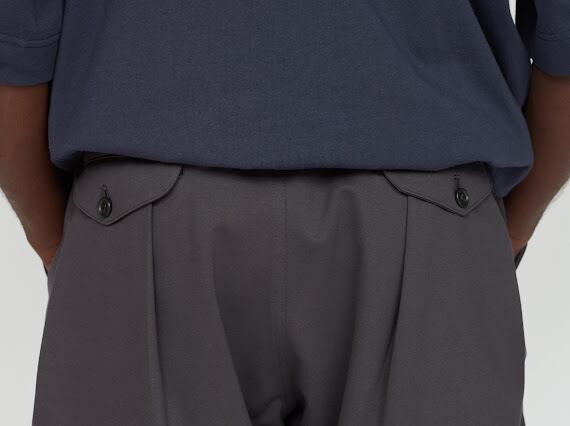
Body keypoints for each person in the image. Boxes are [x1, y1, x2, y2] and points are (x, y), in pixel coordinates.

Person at [0, 0, 568, 424]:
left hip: (144, 215)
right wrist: (502, 230)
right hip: (429, 211)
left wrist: (64, 244)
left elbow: (15, 45)